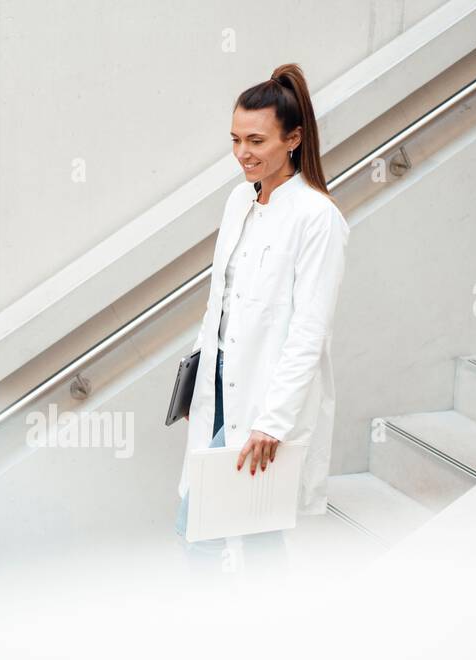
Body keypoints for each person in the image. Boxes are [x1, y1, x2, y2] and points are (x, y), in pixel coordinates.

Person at [175, 62, 350, 583]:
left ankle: (264, 639)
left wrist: (273, 419)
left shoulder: (318, 218)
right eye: (234, 140)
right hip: (221, 385)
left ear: (293, 139)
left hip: (267, 397)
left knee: (253, 529)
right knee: (203, 524)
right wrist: (199, 379)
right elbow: (220, 300)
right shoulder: (238, 201)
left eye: (256, 140)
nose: (243, 154)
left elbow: (309, 330)